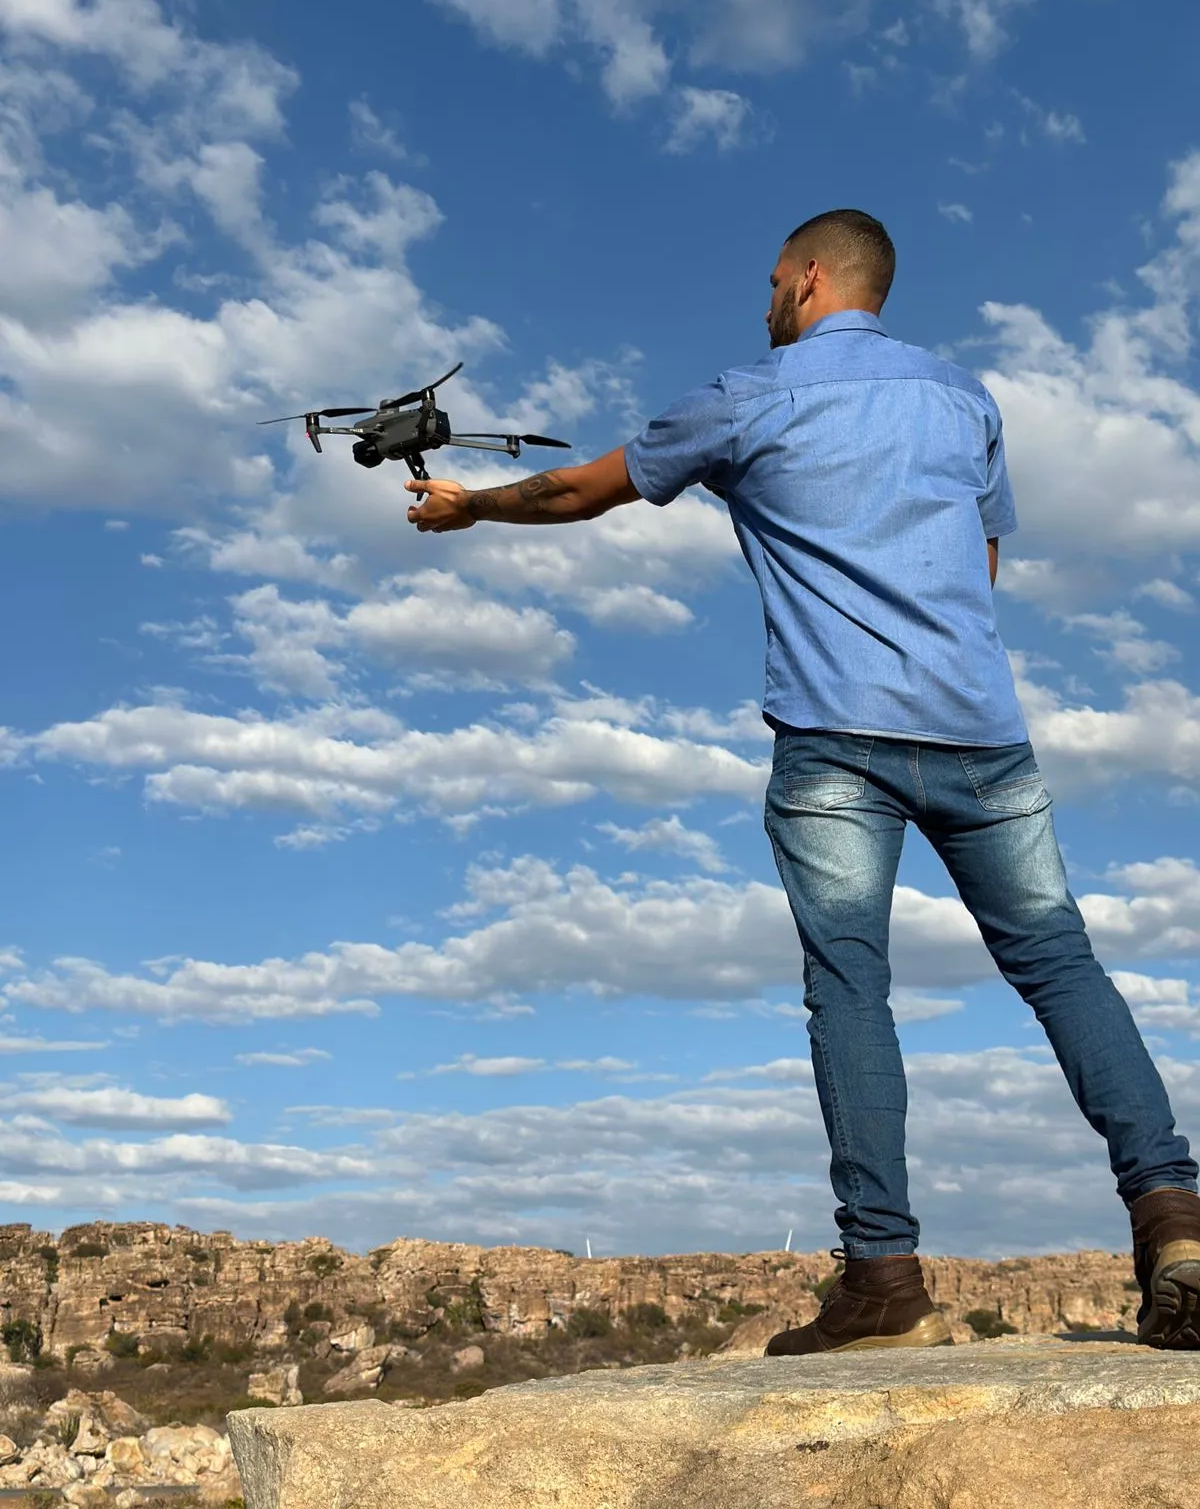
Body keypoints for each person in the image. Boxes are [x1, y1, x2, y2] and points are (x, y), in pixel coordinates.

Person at [404, 208, 1200, 1356]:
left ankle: (884, 1283)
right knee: (1058, 960)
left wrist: (465, 504)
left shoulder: (751, 393)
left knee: (850, 984)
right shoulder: (965, 399)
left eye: (775, 281)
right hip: (981, 731)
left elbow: (580, 490)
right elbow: (980, 568)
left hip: (837, 736)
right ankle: (1173, 1214)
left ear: (812, 280)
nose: (767, 299)